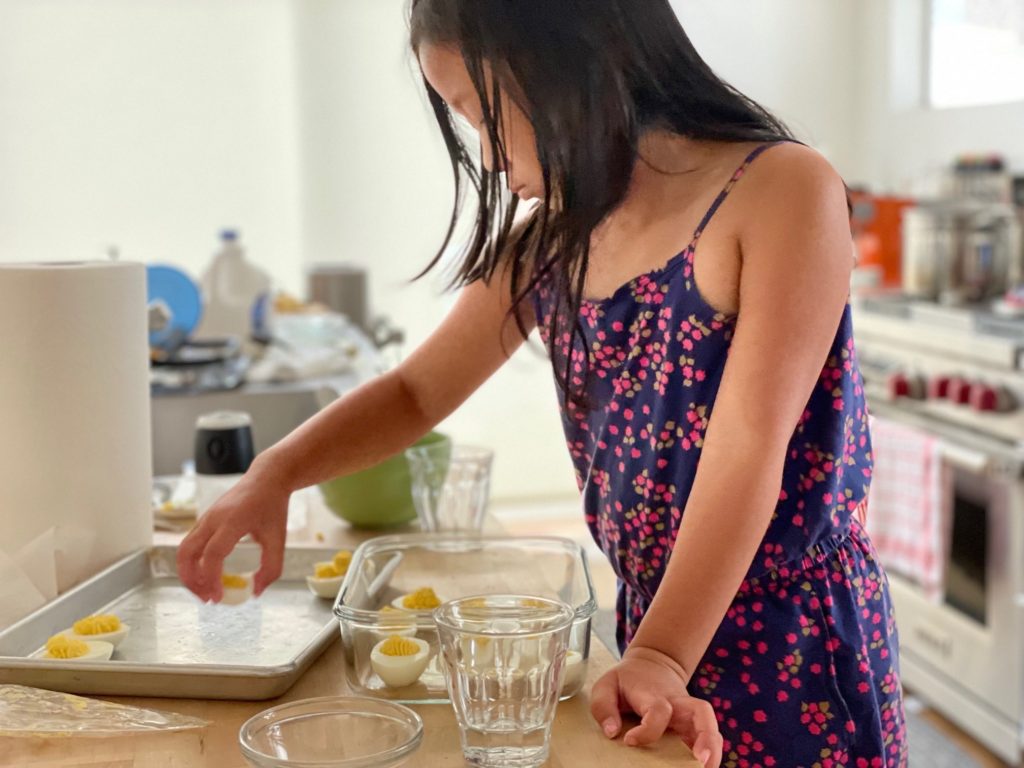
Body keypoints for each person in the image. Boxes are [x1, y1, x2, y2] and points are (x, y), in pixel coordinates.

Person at [178, 2, 907, 765]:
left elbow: (748, 446)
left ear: (570, 59)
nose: (488, 157)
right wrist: (274, 475)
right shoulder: (553, 240)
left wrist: (662, 654)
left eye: (480, 114)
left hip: (792, 648)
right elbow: (415, 394)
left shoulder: (783, 188)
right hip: (656, 635)